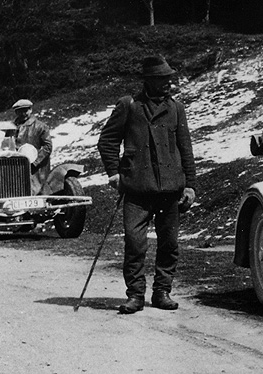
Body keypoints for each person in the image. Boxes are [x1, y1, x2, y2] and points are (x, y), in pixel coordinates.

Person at [97, 55, 197, 314]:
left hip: (169, 190)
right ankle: (135, 295)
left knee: (169, 244)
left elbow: (185, 148)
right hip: (137, 189)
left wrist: (190, 185)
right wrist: (114, 173)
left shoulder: (176, 108)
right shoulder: (129, 105)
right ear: (148, 81)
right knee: (134, 243)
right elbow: (107, 141)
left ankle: (162, 292)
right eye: (162, 80)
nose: (167, 84)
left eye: (169, 79)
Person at [11, 99, 52, 194]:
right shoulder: (11, 127)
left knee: (35, 192)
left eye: (26, 110)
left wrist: (35, 162)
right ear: (16, 112)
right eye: (20, 111)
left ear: (31, 110)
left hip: (35, 169)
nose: (23, 113)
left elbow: (48, 147)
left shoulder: (40, 126)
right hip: (14, 166)